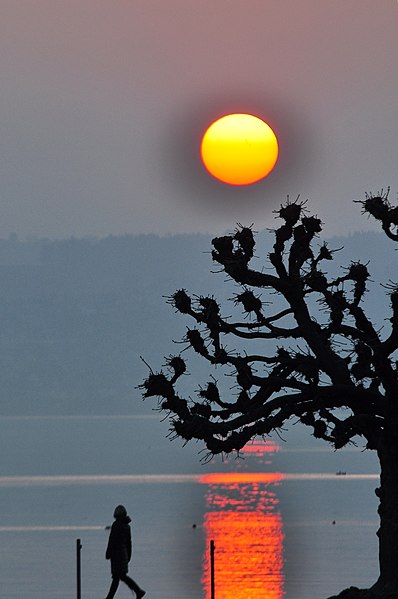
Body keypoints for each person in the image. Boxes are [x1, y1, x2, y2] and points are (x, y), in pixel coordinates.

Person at [104, 505, 146, 599]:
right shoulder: (127, 526)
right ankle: (110, 597)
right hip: (123, 554)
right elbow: (129, 543)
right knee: (118, 577)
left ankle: (139, 591)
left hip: (116, 555)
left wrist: (108, 552)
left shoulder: (116, 525)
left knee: (119, 576)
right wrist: (129, 555)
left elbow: (112, 541)